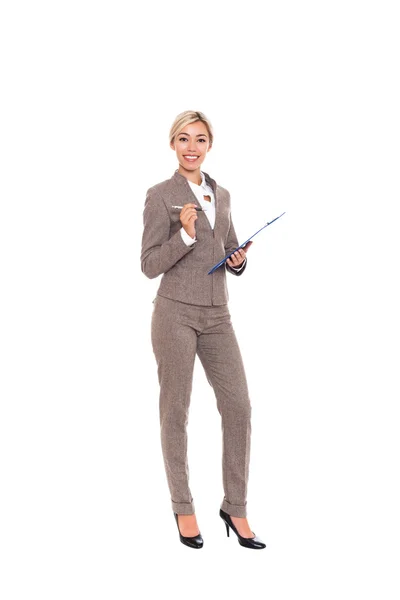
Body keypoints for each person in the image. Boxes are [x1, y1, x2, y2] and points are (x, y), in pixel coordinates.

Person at [140, 110, 266, 549]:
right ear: (173, 145)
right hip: (174, 314)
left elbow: (230, 248)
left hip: (218, 317)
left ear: (210, 145)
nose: (191, 147)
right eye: (183, 139)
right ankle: (183, 506)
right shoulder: (160, 196)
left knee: (240, 408)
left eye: (199, 139)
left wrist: (238, 260)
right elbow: (149, 265)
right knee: (176, 412)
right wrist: (186, 236)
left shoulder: (223, 194)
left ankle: (235, 506)